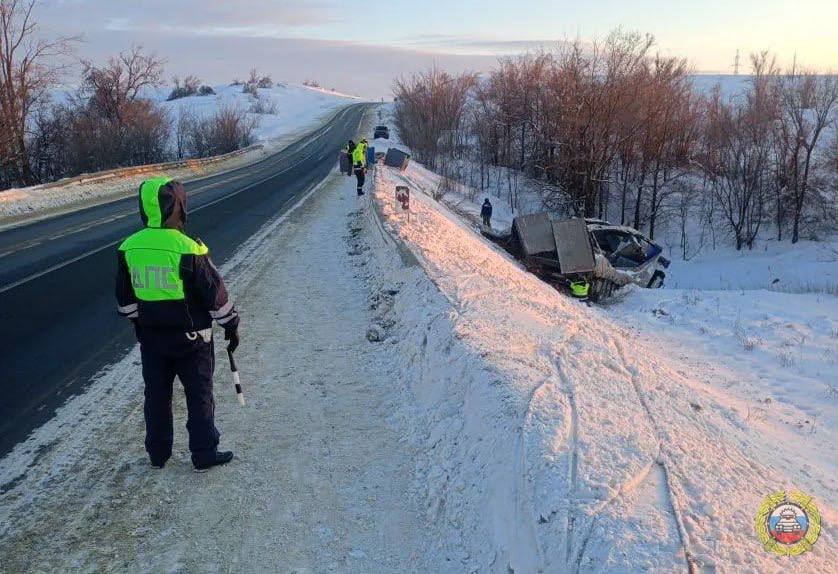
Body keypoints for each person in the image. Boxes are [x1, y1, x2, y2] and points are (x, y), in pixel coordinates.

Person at [115, 177, 240, 472]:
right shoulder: (189, 249)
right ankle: (203, 452)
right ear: (178, 207)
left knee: (156, 396)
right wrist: (231, 325)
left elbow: (125, 301)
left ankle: (158, 454)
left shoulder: (128, 248)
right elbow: (215, 296)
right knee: (199, 396)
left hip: (153, 341)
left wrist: (142, 324)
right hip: (192, 340)